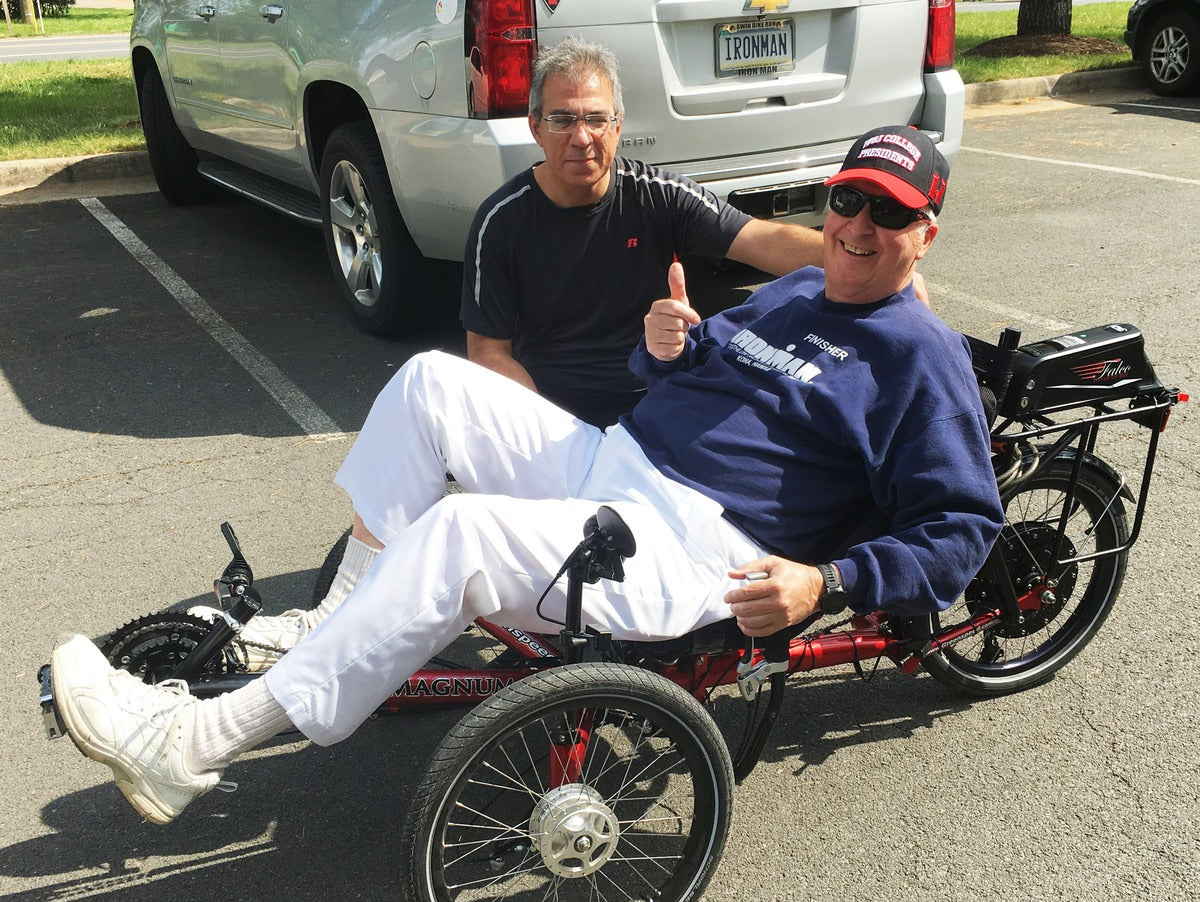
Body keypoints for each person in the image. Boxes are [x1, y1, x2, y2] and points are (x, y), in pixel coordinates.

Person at [49, 125, 1004, 826]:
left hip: (696, 546)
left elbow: (962, 531)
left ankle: (188, 745)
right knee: (431, 383)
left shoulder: (922, 358)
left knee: (460, 534)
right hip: (616, 461)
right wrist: (664, 349)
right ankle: (332, 622)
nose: (859, 225)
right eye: (849, 200)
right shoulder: (797, 287)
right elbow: (686, 373)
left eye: (891, 213)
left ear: (927, 231)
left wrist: (824, 582)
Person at [464, 37, 921, 428]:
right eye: (562, 120)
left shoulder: (658, 195)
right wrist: (545, 430)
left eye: (596, 119)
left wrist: (870, 263)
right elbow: (487, 353)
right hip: (550, 413)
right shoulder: (500, 221)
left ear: (618, 126)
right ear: (536, 128)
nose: (581, 137)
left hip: (656, 406)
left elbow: (762, 240)